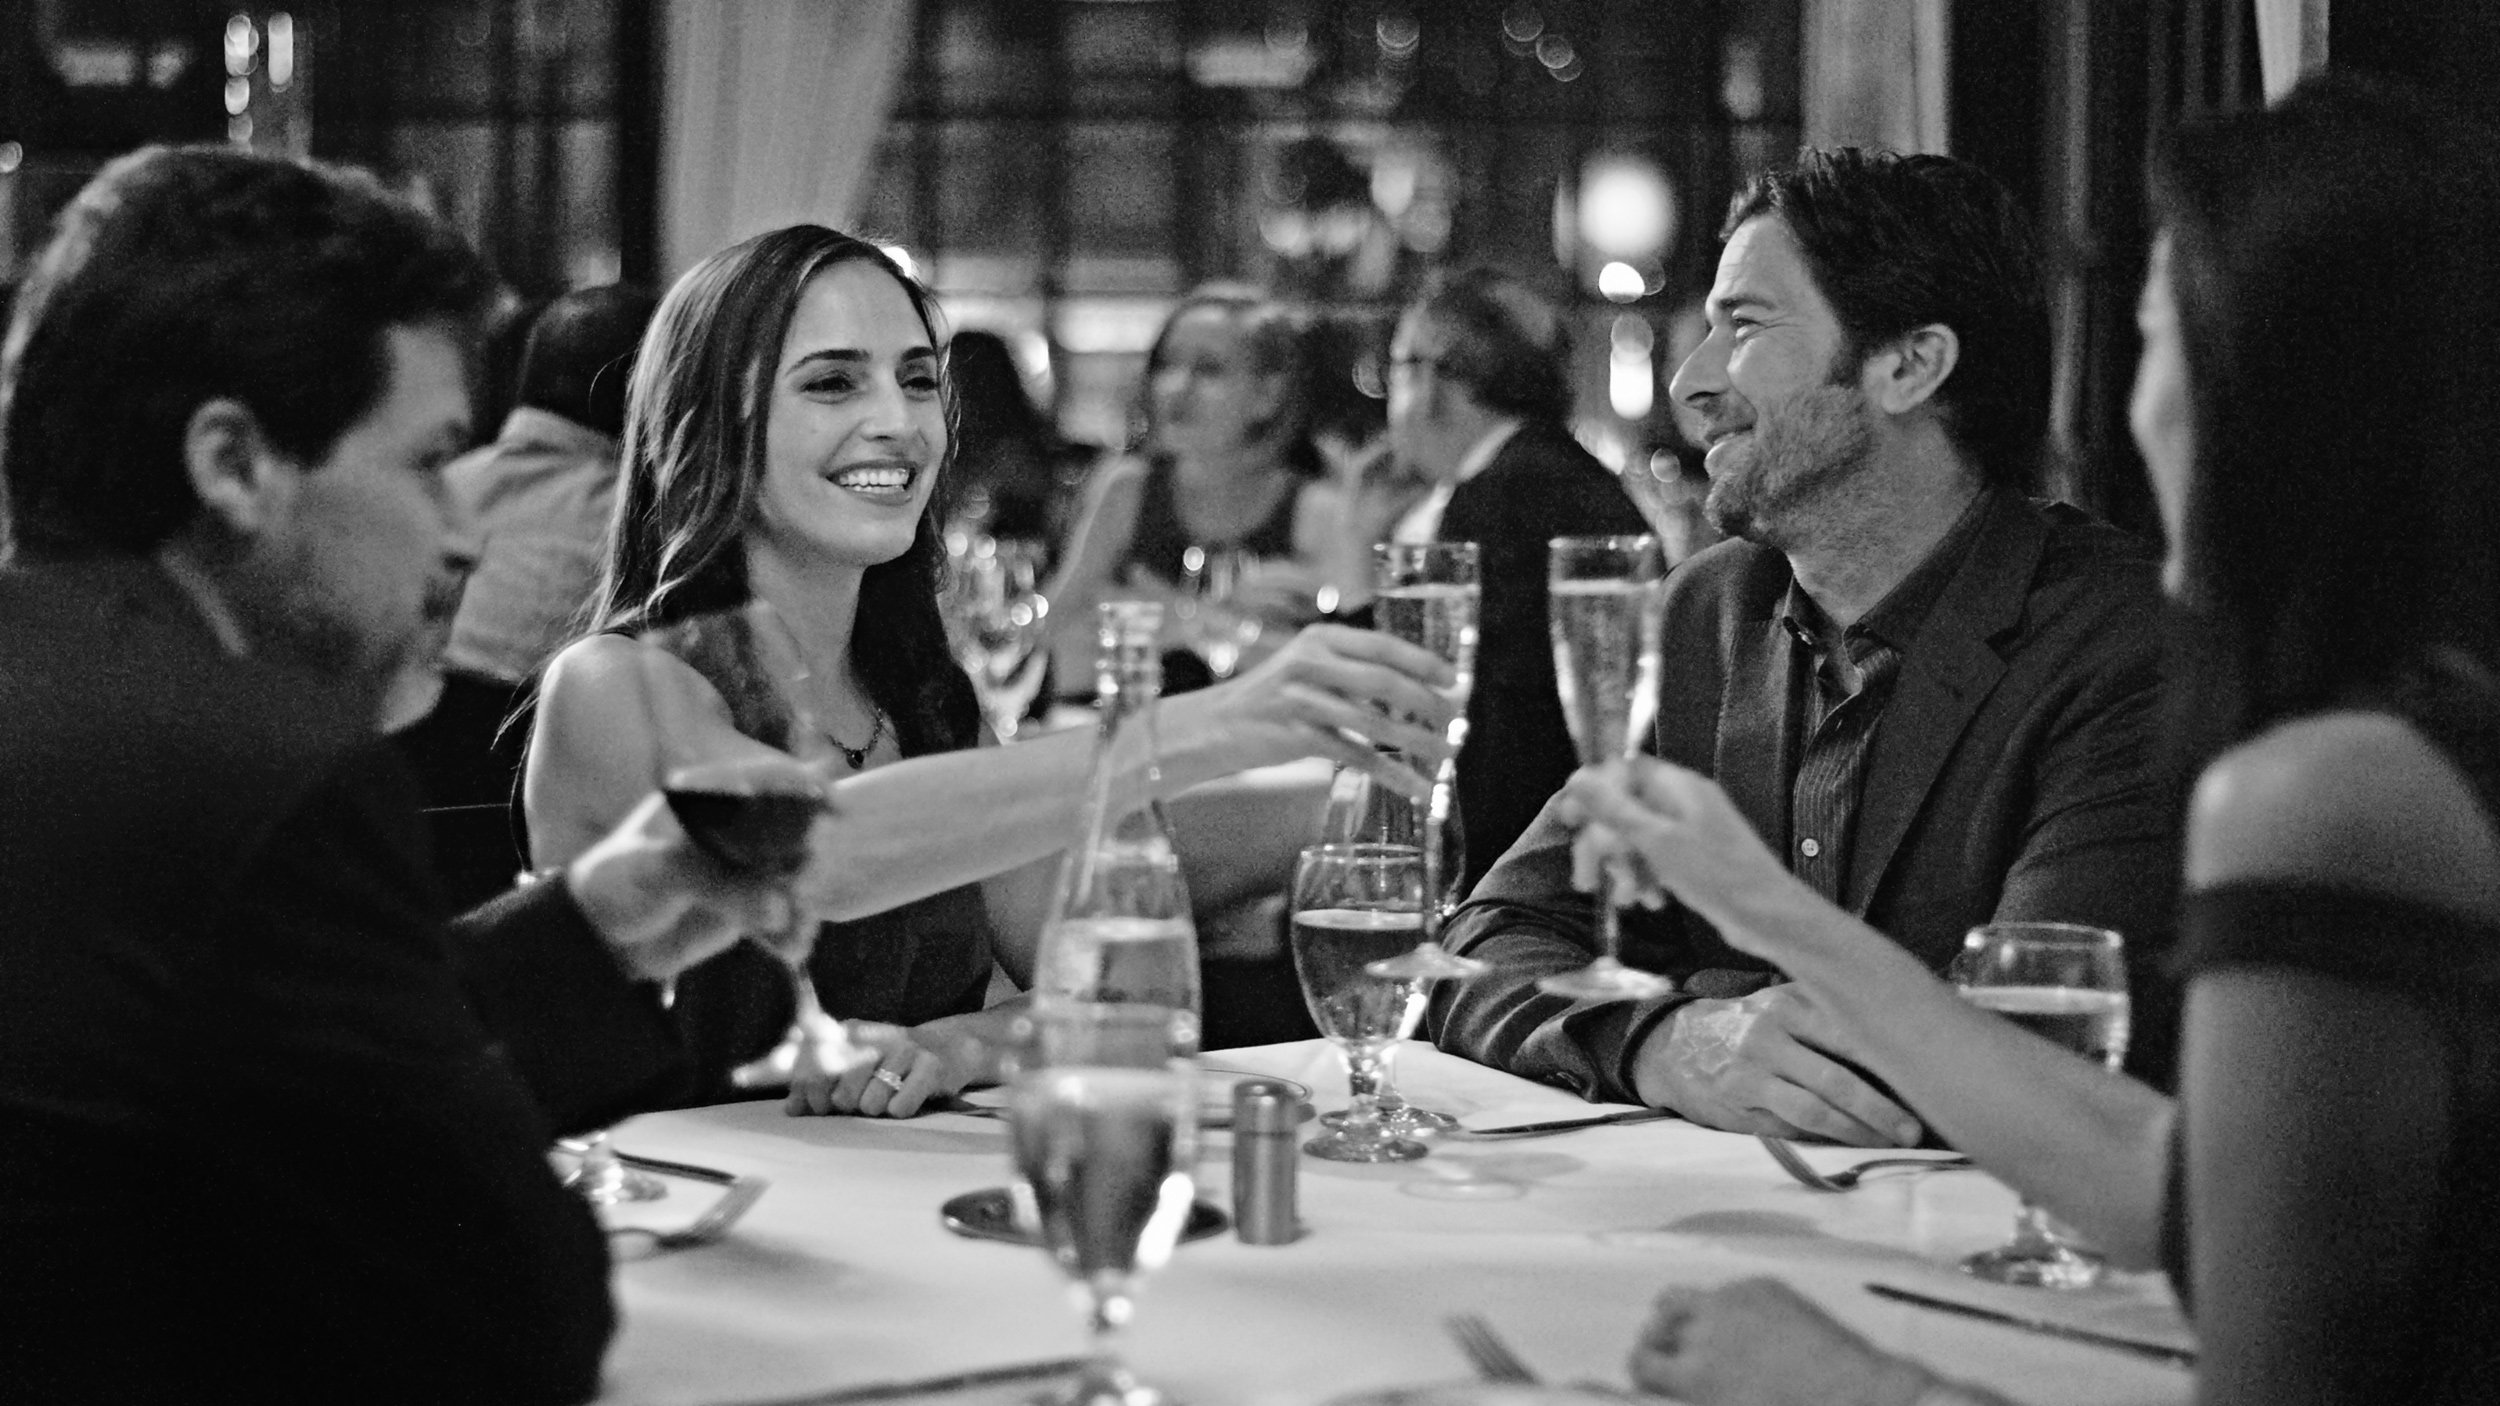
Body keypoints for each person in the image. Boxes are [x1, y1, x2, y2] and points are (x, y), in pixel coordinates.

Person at [1587, 75, 2500, 1405]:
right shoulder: (2436, 736)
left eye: (2157, 344)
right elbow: (2165, 1177)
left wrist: (1846, 1383)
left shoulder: (2331, 791)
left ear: (2277, 391)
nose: (2135, 411)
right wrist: (1742, 939)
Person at [0, 145, 827, 1404]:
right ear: (234, 463)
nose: (463, 531)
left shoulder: (64, 699)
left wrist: (593, 927)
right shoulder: (260, 777)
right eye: (428, 458)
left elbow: (237, 1078)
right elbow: (509, 1311)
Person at [523, 226, 1457, 1117]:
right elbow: (816, 853)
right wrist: (1225, 721)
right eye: (833, 384)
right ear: (714, 420)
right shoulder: (613, 685)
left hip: (882, 1230)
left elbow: (1105, 993)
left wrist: (963, 1047)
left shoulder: (925, 700)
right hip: (668, 1246)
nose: (897, 422)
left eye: (918, 380)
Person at [1432, 149, 2176, 1146]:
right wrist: (1664, 1037)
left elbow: (2037, 1048)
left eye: (1742, 326)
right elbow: (1483, 938)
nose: (1691, 382)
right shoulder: (1706, 614)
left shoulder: (2116, 641)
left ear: (1908, 365)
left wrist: (1730, 992)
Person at [1368, 265, 1651, 887]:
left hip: (1524, 860)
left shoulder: (1495, 498)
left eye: (1393, 366)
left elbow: (1471, 726)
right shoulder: (1562, 474)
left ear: (1433, 376)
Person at [1044, 283, 1344, 690]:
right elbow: (1051, 642)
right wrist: (1223, 625)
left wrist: (1171, 618)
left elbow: (1336, 670)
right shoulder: (1128, 489)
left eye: (1209, 369)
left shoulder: (1314, 508)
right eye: (1167, 365)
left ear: (1268, 396)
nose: (1177, 387)